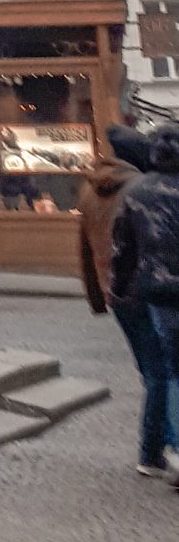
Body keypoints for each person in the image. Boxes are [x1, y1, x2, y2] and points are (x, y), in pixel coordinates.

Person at [79, 125, 175, 477]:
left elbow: (87, 247)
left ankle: (157, 448)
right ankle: (158, 450)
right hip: (148, 289)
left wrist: (101, 293)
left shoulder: (90, 190)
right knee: (164, 373)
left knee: (152, 372)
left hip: (118, 292)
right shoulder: (142, 189)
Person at [108, 122, 179, 490]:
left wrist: (118, 289)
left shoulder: (136, 192)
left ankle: (171, 451)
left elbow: (122, 249)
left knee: (170, 372)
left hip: (155, 292)